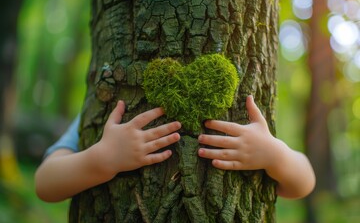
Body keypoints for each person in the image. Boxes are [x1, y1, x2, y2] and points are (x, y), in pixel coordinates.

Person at [35, 95, 315, 202]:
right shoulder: (97, 111)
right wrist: (102, 159)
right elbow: (45, 182)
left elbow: (303, 182)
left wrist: (275, 155)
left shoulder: (259, 121)